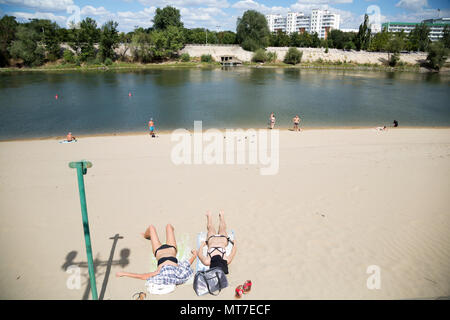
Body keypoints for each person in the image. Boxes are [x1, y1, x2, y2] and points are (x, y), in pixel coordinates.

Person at [116, 224, 197, 286]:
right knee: (169, 226)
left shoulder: (160, 273)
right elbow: (187, 264)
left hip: (159, 251)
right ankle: (170, 230)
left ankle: (146, 235)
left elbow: (143, 276)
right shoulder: (178, 273)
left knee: (151, 227)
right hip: (171, 249)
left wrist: (124, 273)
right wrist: (194, 255)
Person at [198, 211, 237, 275]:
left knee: (210, 228)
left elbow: (199, 254)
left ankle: (209, 216)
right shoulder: (226, 260)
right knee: (223, 228)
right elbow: (233, 251)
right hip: (222, 239)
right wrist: (234, 244)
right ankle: (222, 216)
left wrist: (202, 245)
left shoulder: (207, 261)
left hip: (212, 239)